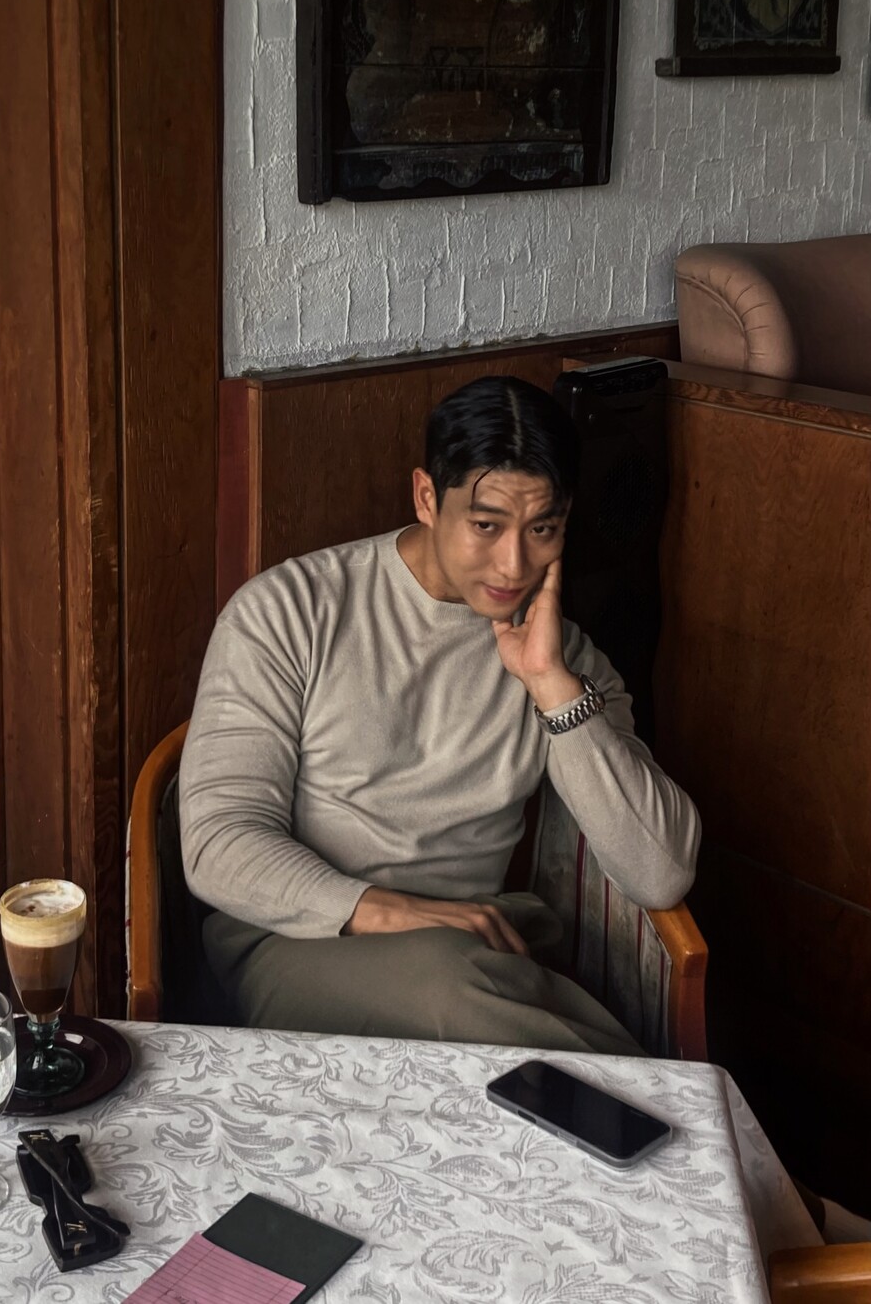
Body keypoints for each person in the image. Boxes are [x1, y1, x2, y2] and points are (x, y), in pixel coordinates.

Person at [179, 376, 700, 1053]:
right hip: (294, 939)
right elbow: (218, 844)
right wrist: (388, 910)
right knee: (458, 991)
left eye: (542, 529)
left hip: (468, 949)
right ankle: (642, 1100)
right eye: (486, 525)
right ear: (427, 497)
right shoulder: (289, 609)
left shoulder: (561, 656)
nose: (513, 563)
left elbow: (660, 871)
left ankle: (632, 1102)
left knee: (461, 985)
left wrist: (551, 686)